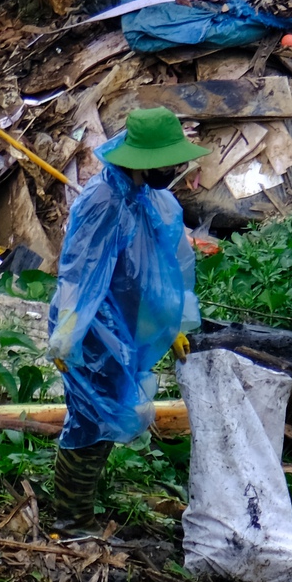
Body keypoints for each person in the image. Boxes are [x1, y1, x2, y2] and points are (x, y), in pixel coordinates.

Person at [44, 109, 204, 533]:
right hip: (94, 329)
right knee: (90, 422)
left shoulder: (157, 201)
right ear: (139, 160)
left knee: (105, 418)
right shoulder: (101, 202)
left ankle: (81, 508)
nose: (171, 171)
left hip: (127, 323)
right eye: (164, 163)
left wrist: (178, 323)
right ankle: (70, 519)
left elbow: (174, 266)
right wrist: (67, 335)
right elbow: (80, 273)